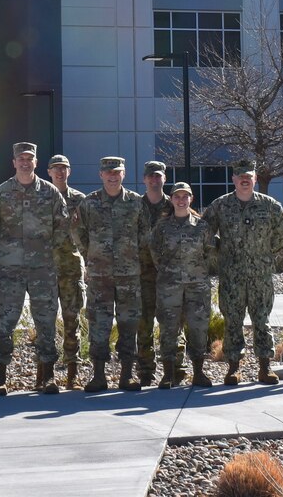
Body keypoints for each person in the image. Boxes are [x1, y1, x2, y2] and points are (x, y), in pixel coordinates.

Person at [0, 141, 68, 395]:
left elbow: (62, 226)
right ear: (14, 162)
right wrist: (5, 251)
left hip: (42, 269)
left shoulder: (50, 192)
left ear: (35, 162)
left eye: (29, 158)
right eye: (21, 158)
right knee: (5, 322)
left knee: (46, 321)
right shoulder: (1, 192)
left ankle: (47, 377)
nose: (25, 162)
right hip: (10, 270)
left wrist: (47, 252)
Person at [202, 158, 283, 385]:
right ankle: (233, 368)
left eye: (248, 177)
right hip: (232, 276)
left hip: (260, 275)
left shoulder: (269, 206)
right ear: (233, 179)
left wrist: (266, 254)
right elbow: (205, 233)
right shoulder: (220, 206)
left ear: (254, 179)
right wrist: (218, 253)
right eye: (240, 177)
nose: (244, 181)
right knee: (232, 321)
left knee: (262, 320)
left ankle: (265, 367)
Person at [71, 155, 145, 391]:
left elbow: (146, 235)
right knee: (99, 325)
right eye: (109, 173)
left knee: (128, 324)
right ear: (101, 175)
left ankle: (126, 375)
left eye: (117, 172)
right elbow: (77, 232)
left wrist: (134, 256)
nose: (113, 177)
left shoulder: (135, 202)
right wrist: (89, 254)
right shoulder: (89, 203)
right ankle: (98, 376)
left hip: (128, 276)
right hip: (100, 276)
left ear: (123, 174)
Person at [149, 181, 213, 388]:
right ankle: (169, 373)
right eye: (177, 196)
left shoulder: (202, 226)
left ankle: (198, 372)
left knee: (198, 328)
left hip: (197, 285)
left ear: (191, 199)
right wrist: (170, 272)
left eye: (185, 196)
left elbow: (209, 252)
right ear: (171, 199)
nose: (181, 200)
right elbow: (155, 253)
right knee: (169, 329)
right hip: (170, 285)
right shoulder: (162, 227)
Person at [47, 153, 89, 389]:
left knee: (71, 321)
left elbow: (88, 233)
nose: (60, 172)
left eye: (64, 169)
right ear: (49, 172)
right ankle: (46, 374)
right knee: (45, 323)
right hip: (47, 269)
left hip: (72, 268)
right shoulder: (43, 197)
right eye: (56, 169)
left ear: (69, 172)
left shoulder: (80, 200)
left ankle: (72, 374)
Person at [135, 159, 176, 385]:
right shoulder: (134, 205)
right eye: (150, 176)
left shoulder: (174, 205)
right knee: (144, 325)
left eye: (158, 175)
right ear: (144, 179)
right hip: (142, 275)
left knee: (171, 325)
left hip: (169, 276)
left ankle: (173, 370)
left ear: (164, 179)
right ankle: (146, 372)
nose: (154, 179)